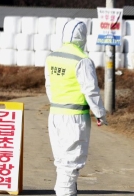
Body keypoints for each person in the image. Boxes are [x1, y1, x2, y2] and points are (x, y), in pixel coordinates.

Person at [44, 19, 108, 196]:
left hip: (55, 114)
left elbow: (49, 85)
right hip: (75, 117)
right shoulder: (83, 60)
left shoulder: (52, 57)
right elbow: (91, 91)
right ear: (83, 36)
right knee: (71, 163)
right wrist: (100, 114)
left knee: (62, 162)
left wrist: (57, 103)